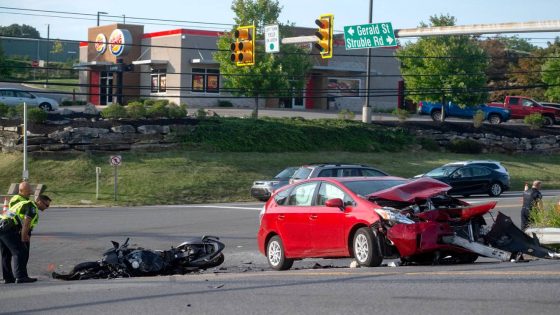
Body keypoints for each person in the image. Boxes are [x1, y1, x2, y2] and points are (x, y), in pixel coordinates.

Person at [0, 194, 51, 284]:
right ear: (39, 201)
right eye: (46, 205)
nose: (47, 207)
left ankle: (8, 278)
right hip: (8, 227)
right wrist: (24, 239)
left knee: (6, 254)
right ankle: (21, 277)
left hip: (2, 226)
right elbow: (26, 224)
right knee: (20, 251)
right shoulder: (32, 207)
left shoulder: (24, 203)